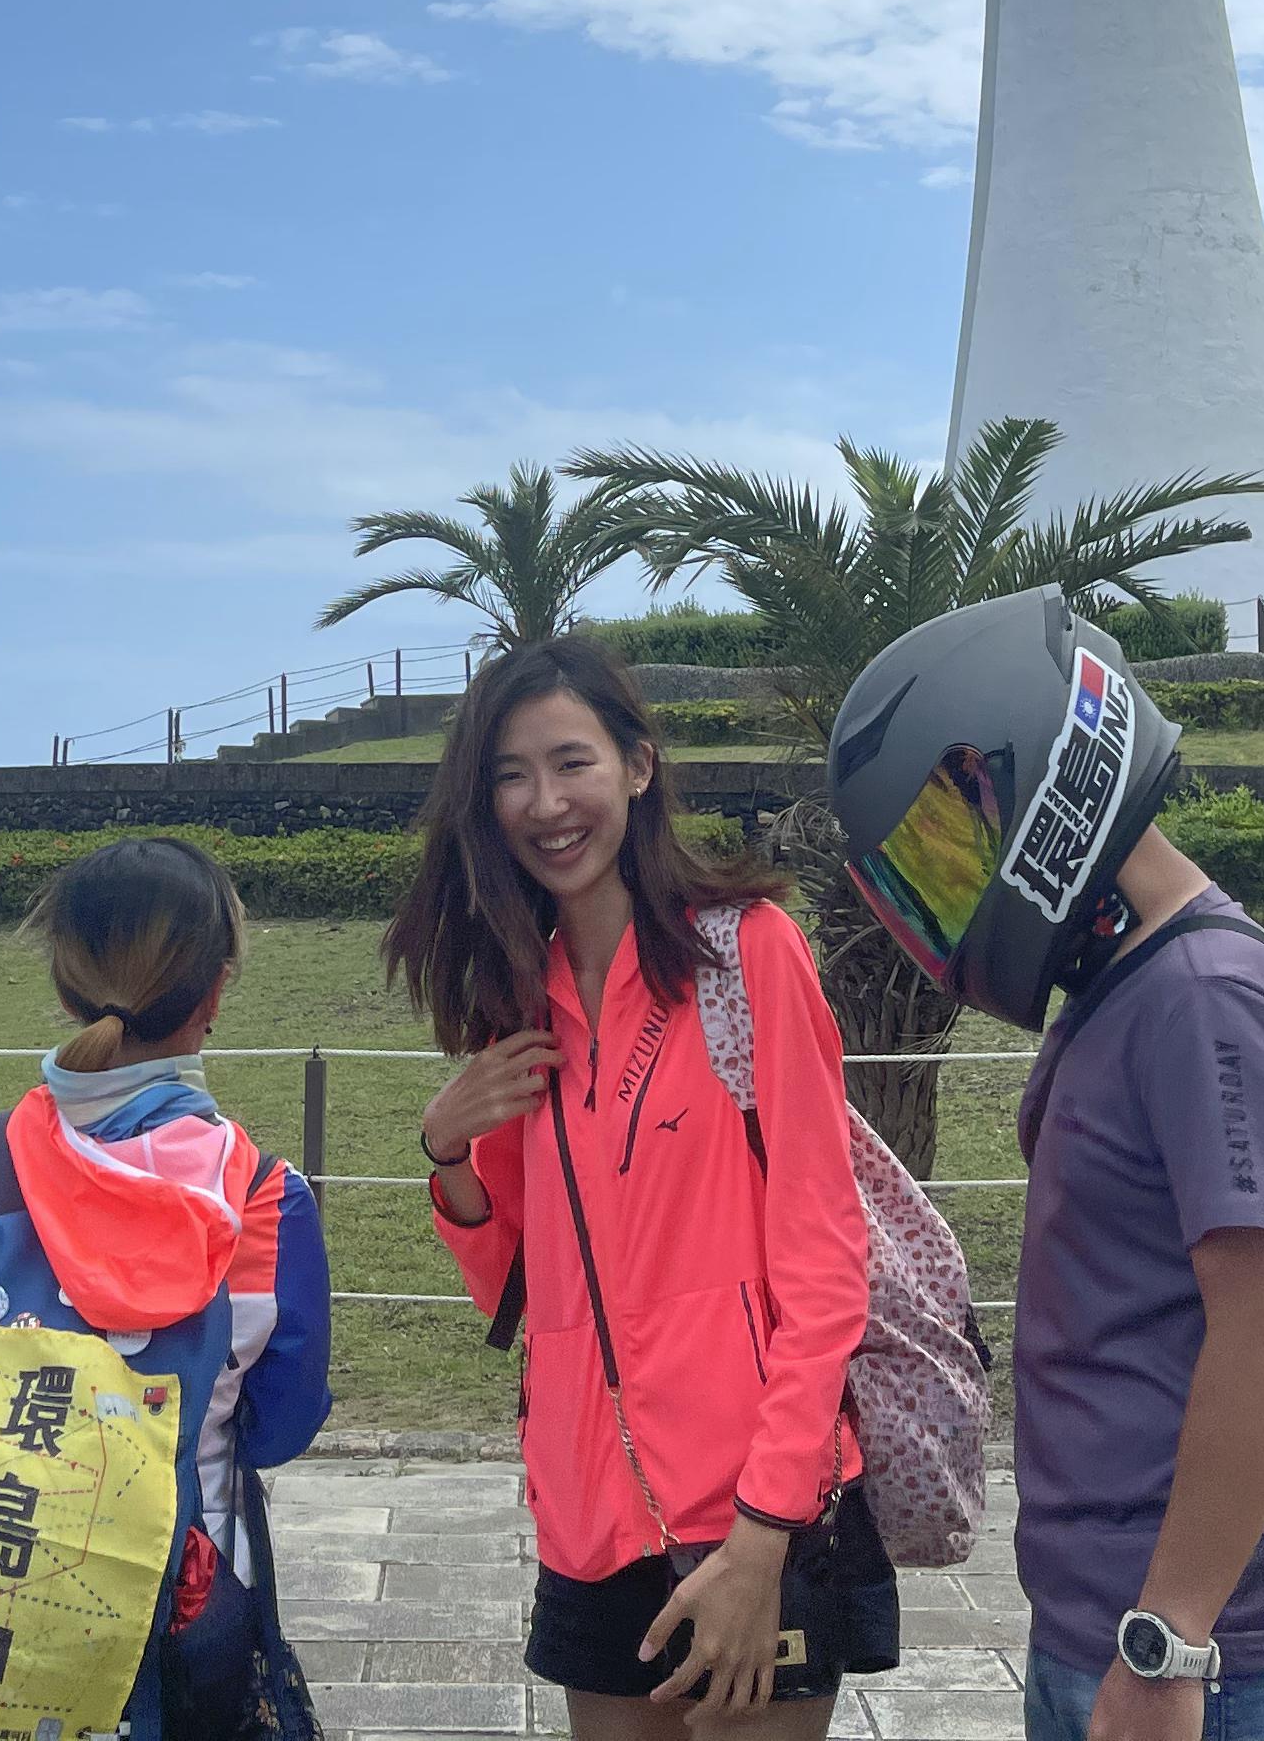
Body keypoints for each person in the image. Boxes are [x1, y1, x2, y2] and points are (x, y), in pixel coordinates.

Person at [823, 591, 1264, 1741]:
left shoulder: (1203, 1001)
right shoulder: (1131, 989)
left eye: (948, 853)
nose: (944, 910)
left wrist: (1167, 1644)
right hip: (1120, 1630)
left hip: (1219, 1659)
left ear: (1035, 787)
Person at [384, 633, 896, 1741]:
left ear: (639, 766)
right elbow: (525, 1294)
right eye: (510, 776)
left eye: (572, 762)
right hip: (588, 1517)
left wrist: (767, 1532)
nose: (545, 802)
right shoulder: (515, 1002)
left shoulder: (749, 955)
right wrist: (448, 1153)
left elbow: (822, 1256)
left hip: (754, 1504)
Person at [0, 834, 331, 1741]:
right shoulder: (262, 1200)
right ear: (213, 994)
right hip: (168, 1613)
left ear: (63, 985)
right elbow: (281, 1428)